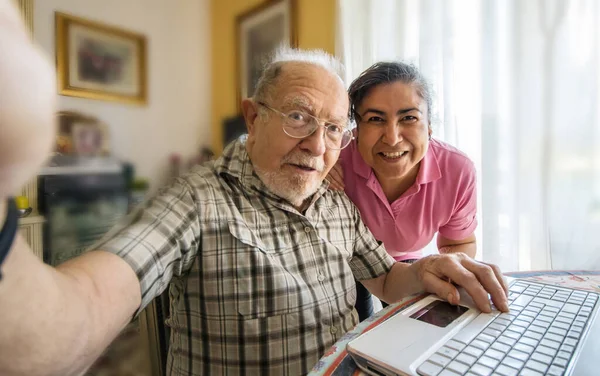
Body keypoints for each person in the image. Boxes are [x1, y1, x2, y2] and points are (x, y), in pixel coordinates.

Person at [0, 3, 507, 375]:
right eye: (297, 117)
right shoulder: (197, 200)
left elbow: (387, 282)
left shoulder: (335, 203)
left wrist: (425, 269)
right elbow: (77, 313)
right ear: (252, 117)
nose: (316, 145)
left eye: (333, 128)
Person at [327, 62, 479, 321]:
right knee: (355, 331)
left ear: (429, 127)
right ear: (356, 130)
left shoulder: (457, 170)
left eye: (409, 118)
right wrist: (319, 164)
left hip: (407, 261)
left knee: (412, 328)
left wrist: (442, 271)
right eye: (375, 119)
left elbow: (458, 242)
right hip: (346, 262)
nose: (393, 137)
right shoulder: (333, 153)